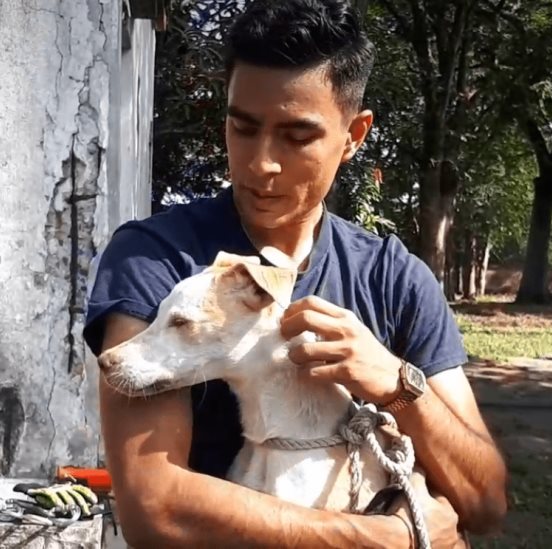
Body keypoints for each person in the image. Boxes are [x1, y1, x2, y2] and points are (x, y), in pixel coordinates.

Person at [83, 0, 507, 546]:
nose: (261, 163)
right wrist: (384, 540)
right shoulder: (156, 260)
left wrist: (398, 385)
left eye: (297, 136)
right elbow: (155, 510)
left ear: (353, 135)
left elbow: (485, 503)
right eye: (244, 127)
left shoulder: (394, 279)